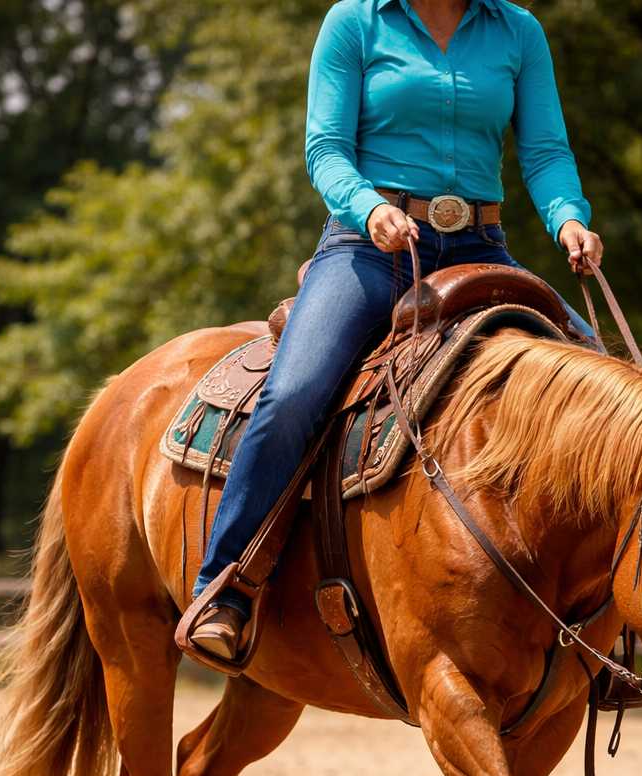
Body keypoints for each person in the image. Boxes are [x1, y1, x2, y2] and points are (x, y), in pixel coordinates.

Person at [183, 0, 604, 659]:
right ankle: (227, 588)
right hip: (369, 247)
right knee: (294, 394)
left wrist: (569, 221)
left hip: (481, 248)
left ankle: (607, 622)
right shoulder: (355, 21)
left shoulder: (517, 30)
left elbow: (546, 152)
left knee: (610, 391)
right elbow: (325, 148)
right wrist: (368, 208)